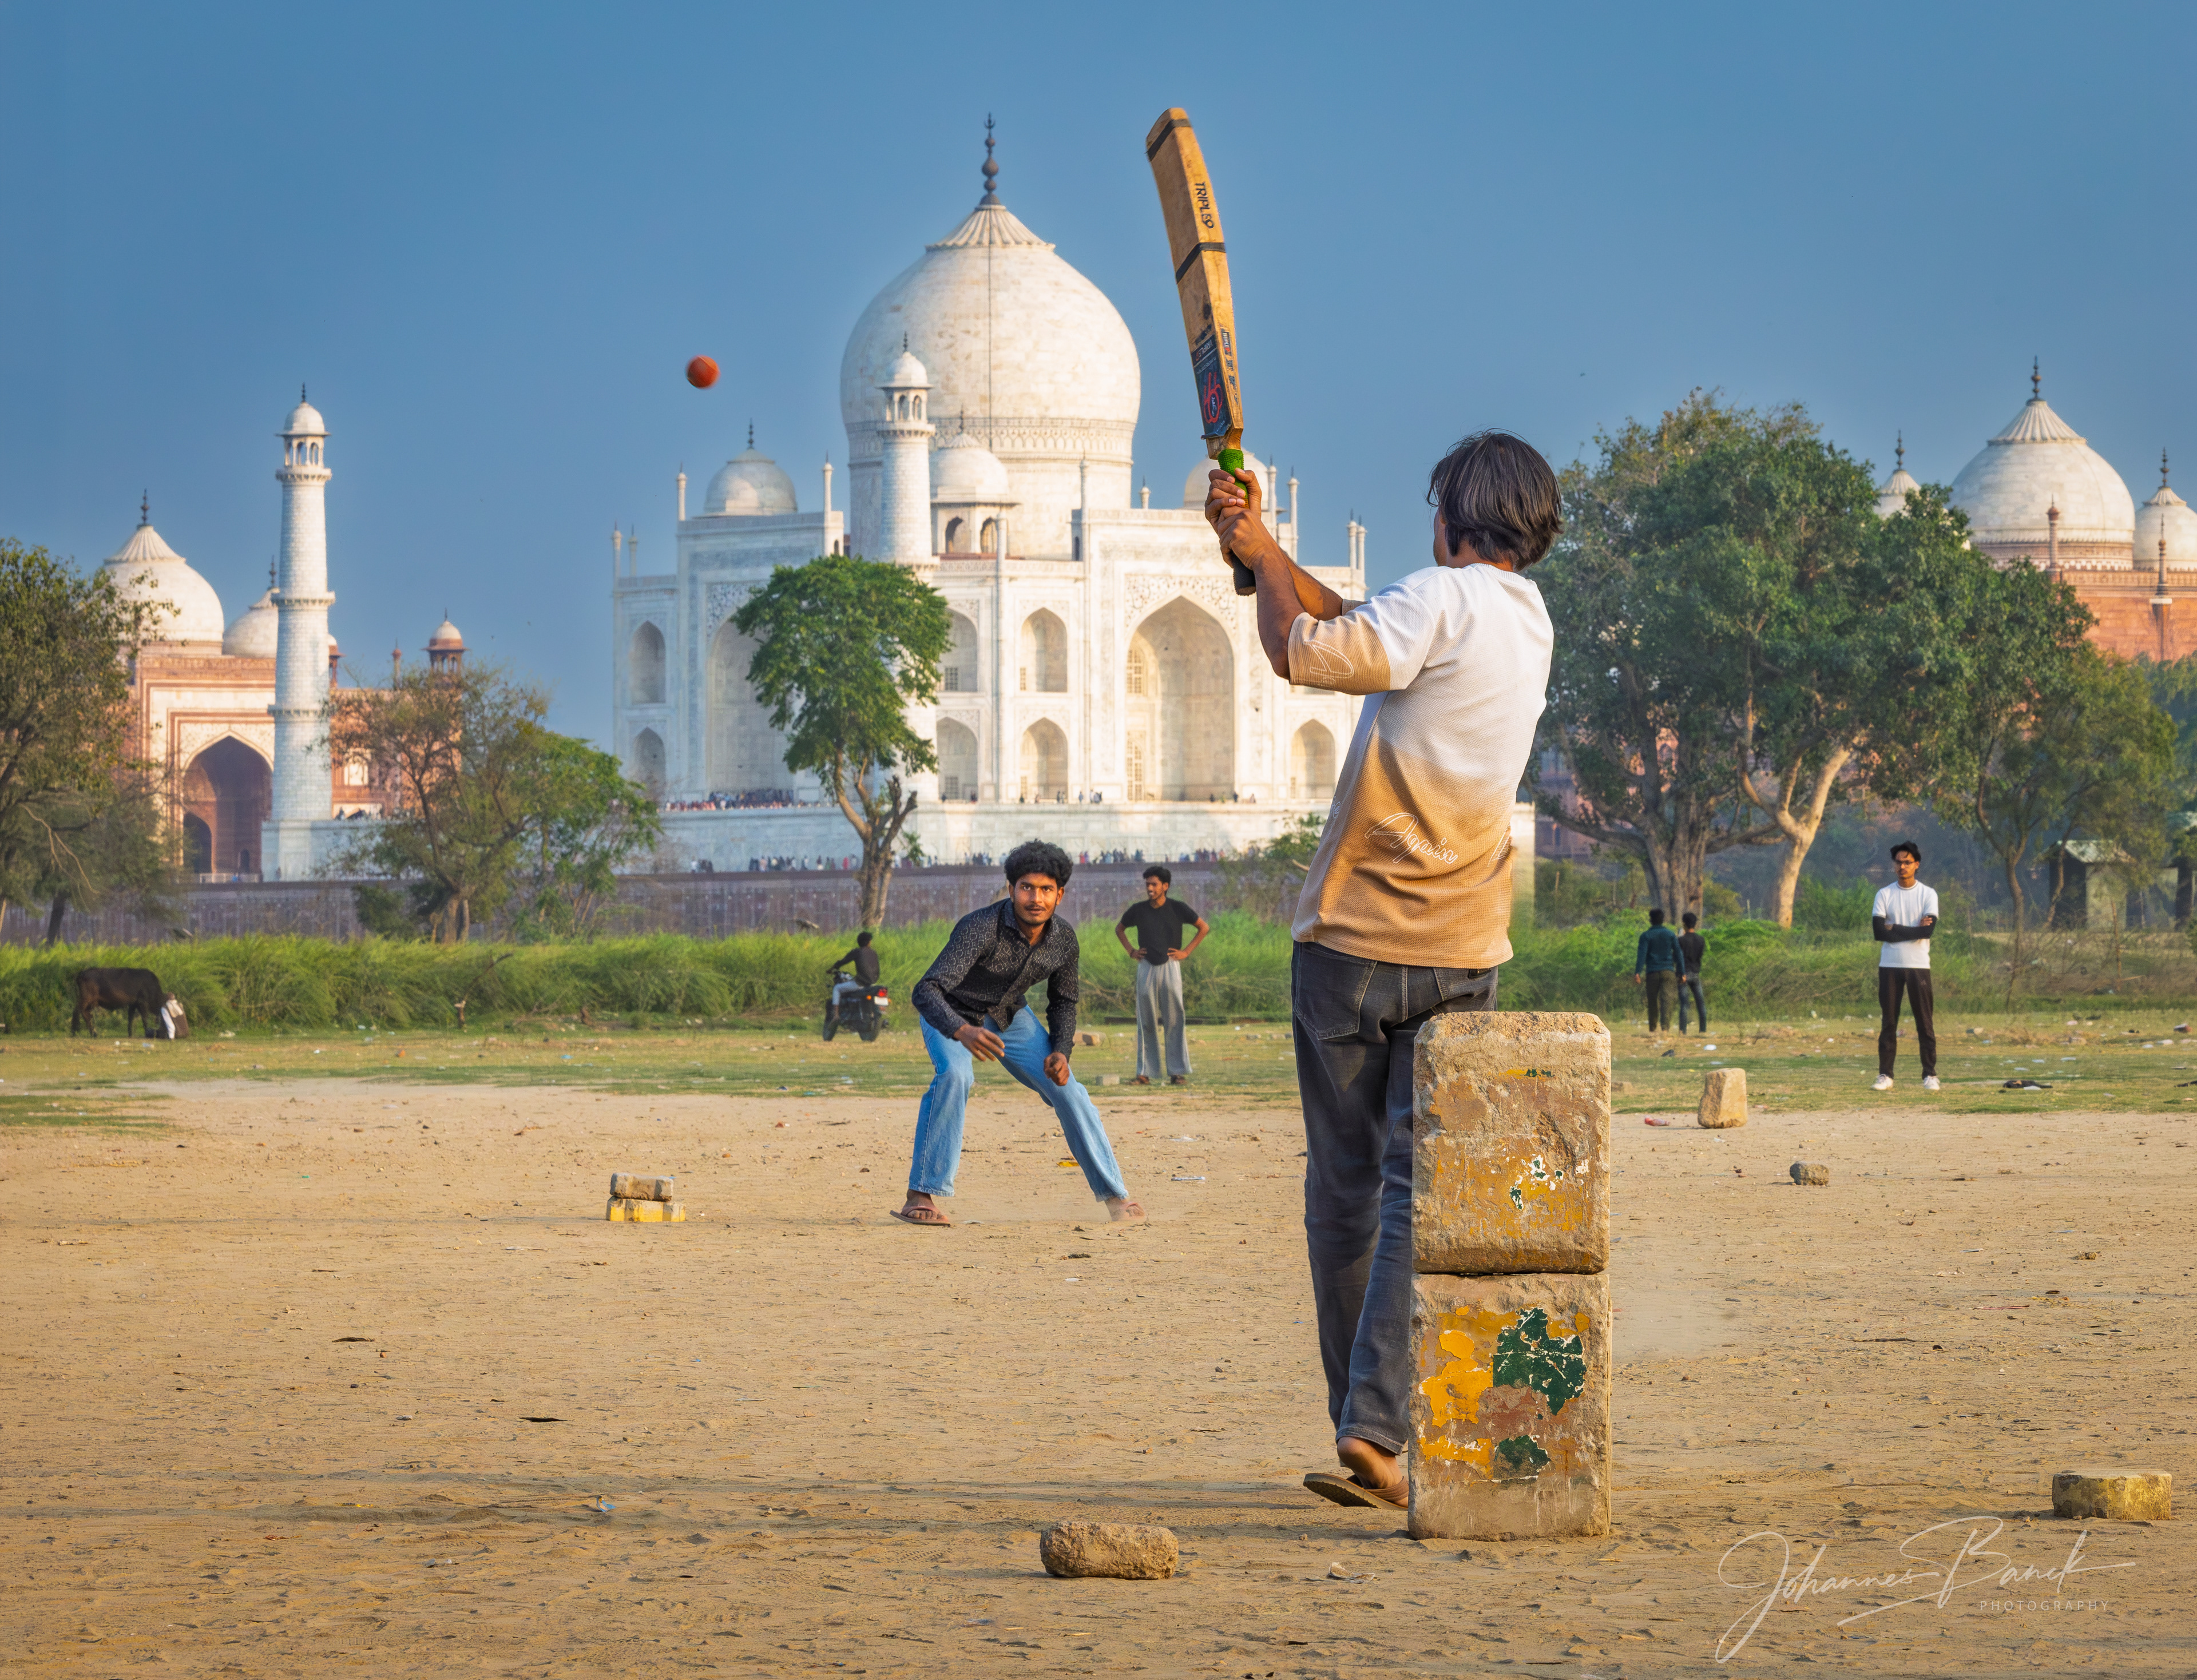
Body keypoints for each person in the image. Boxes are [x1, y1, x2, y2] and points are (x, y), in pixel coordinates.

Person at [1206, 428, 1558, 1510]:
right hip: (1465, 952)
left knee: (1347, 1192)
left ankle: (1363, 1423)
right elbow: (1357, 624)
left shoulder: (1436, 598)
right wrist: (1265, 548)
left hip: (1352, 947)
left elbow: (1299, 650)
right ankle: (1378, 1427)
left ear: (1448, 521)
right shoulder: (1527, 619)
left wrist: (1257, 559)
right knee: (1416, 1189)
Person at [895, 839, 1144, 1228]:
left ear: (1060, 894)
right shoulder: (980, 927)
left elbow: (1064, 1001)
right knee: (956, 1076)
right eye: (1027, 887)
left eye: (1046, 889)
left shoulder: (1063, 940)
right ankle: (921, 1195)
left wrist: (1061, 1051)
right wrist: (962, 1030)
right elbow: (926, 990)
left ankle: (1116, 1197)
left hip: (1009, 1016)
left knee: (1068, 1089)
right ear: (1011, 889)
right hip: (951, 1012)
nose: (1036, 898)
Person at [1115, 865, 1209, 1085]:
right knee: (1145, 1019)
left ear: (1165, 886)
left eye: (1154, 884)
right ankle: (1144, 1073)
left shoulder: (1178, 908)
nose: (1150, 888)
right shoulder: (1138, 910)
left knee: (1175, 1018)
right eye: (1147, 884)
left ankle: (1177, 1072)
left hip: (1170, 964)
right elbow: (1120, 929)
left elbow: (1203, 928)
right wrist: (1131, 951)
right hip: (1146, 966)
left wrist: (1186, 952)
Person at [1871, 841, 1940, 1092]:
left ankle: (1930, 1075)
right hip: (1889, 965)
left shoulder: (1928, 894)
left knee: (1925, 1022)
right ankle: (1885, 1075)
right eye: (1898, 862)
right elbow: (1879, 933)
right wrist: (1913, 930)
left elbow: (1928, 931)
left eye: (1907, 862)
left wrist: (1895, 928)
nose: (1902, 867)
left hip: (1919, 966)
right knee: (1889, 1022)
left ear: (1916, 865)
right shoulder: (1884, 894)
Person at [1632, 908, 1683, 1033]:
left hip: (1652, 972)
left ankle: (1653, 1029)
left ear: (1651, 920)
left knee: (1652, 1001)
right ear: (1662, 920)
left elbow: (1642, 955)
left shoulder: (1646, 936)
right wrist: (1682, 972)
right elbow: (1679, 953)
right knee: (1667, 1000)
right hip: (1668, 971)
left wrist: (1638, 972)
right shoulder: (1670, 935)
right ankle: (1665, 1028)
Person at [1676, 911, 1708, 1034]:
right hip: (1695, 973)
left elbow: (1677, 958)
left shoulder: (1680, 940)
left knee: (1684, 1004)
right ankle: (1703, 1030)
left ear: (1684, 924)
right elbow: (1699, 957)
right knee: (1701, 1003)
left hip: (1683, 975)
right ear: (1695, 924)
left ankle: (1683, 1031)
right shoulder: (1701, 940)